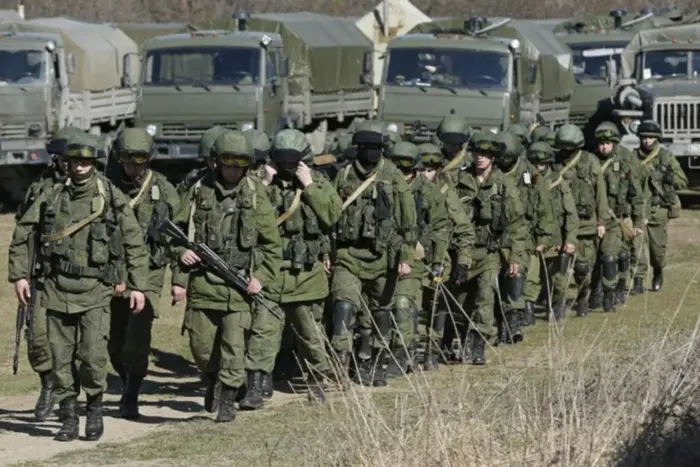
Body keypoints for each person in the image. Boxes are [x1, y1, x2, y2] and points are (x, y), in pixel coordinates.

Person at [9, 132, 149, 442]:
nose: (80, 167)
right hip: (56, 290)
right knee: (60, 359)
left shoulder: (109, 196)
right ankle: (68, 417)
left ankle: (95, 408)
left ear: (93, 163)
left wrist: (138, 286)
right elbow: (23, 232)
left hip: (95, 291)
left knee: (92, 357)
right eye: (75, 161)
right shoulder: (52, 194)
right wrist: (19, 275)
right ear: (67, 163)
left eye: (86, 161)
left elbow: (134, 241)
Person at [170, 130, 283, 422]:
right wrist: (180, 254)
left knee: (234, 346)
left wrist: (260, 277)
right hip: (204, 284)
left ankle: (228, 399)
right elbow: (174, 231)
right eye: (228, 163)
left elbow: (272, 246)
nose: (233, 170)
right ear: (216, 162)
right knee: (202, 349)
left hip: (239, 287)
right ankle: (212, 381)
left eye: (239, 164)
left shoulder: (257, 195)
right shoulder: (197, 191)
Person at [329, 120, 416, 386]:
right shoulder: (344, 176)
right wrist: (327, 254)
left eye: (376, 148)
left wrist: (406, 257)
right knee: (344, 306)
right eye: (366, 148)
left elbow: (407, 221)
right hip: (348, 257)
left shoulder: (393, 176)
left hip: (383, 259)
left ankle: (376, 361)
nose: (371, 153)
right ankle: (341, 362)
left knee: (380, 313)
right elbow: (330, 218)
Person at [261, 129, 341, 400]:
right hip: (270, 273)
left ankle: (318, 379)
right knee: (264, 331)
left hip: (307, 273)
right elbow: (243, 215)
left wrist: (309, 186)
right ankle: (258, 383)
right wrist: (263, 183)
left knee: (310, 331)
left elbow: (332, 214)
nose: (287, 167)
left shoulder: (316, 182)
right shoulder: (261, 183)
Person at [107, 128, 180, 419]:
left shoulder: (164, 191)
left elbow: (180, 239)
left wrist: (179, 280)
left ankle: (131, 392)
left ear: (149, 159)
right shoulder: (107, 187)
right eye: (127, 159)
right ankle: (126, 380)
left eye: (139, 159)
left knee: (137, 337)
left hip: (149, 273)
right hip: (114, 273)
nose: (133, 166)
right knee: (113, 342)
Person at [14, 126, 85, 422]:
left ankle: (70, 393)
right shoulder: (40, 188)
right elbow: (23, 231)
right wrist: (21, 274)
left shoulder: (97, 188)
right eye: (64, 158)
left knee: (80, 341)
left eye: (74, 157)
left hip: (83, 278)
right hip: (44, 276)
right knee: (39, 338)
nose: (69, 163)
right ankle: (47, 383)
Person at [445, 131, 527, 364]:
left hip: (490, 253)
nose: (480, 158)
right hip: (461, 253)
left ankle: (479, 346)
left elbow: (518, 225)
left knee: (486, 298)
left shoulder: (504, 185)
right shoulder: (459, 180)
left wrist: (515, 258)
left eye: (486, 154)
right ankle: (455, 342)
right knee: (459, 302)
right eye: (477, 153)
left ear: (493, 157)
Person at [385, 141, 450, 377]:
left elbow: (442, 227)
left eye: (406, 170)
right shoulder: (382, 183)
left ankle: (403, 352)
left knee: (403, 302)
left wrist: (438, 261)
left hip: (416, 257)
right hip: (381, 256)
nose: (402, 174)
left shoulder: (428, 191)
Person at [415, 143, 474, 370]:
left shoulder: (445, 193)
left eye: (429, 170)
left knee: (435, 307)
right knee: (409, 307)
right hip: (411, 260)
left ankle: (432, 348)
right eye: (421, 169)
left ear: (438, 170)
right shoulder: (405, 189)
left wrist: (463, 262)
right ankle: (406, 351)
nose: (424, 174)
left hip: (438, 261)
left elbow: (465, 230)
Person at [496, 132, 554, 338]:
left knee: (517, 275)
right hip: (495, 235)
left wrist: (543, 237)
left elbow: (544, 206)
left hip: (523, 234)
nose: (503, 162)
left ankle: (514, 322)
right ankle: (499, 318)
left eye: (508, 158)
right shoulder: (491, 171)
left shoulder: (529, 173)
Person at [551, 124, 610, 318]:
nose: (565, 151)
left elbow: (600, 193)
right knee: (559, 270)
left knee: (583, 268)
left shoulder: (590, 161)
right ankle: (558, 303)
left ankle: (583, 297)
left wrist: (601, 221)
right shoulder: (554, 161)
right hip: (561, 224)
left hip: (586, 224)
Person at [589, 122, 642, 312]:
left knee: (618, 255)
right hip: (596, 219)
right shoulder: (591, 161)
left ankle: (615, 291)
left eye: (608, 143)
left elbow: (635, 193)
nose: (604, 146)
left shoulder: (626, 160)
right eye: (601, 143)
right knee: (595, 259)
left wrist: (637, 221)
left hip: (619, 218)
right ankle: (597, 292)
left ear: (615, 143)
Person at [629, 120, 687, 294]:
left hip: (657, 209)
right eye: (644, 137)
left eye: (650, 138)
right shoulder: (632, 157)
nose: (647, 140)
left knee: (657, 250)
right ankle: (638, 279)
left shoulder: (666, 157)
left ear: (656, 139)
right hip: (637, 209)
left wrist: (669, 179)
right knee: (636, 246)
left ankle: (658, 271)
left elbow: (682, 181)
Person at [526, 142, 579, 321]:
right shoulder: (526, 181)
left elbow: (571, 214)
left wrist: (570, 239)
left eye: (541, 164)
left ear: (548, 163)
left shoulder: (558, 183)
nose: (538, 167)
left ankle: (557, 305)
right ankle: (528, 311)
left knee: (558, 280)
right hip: (531, 239)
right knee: (530, 278)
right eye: (534, 163)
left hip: (556, 241)